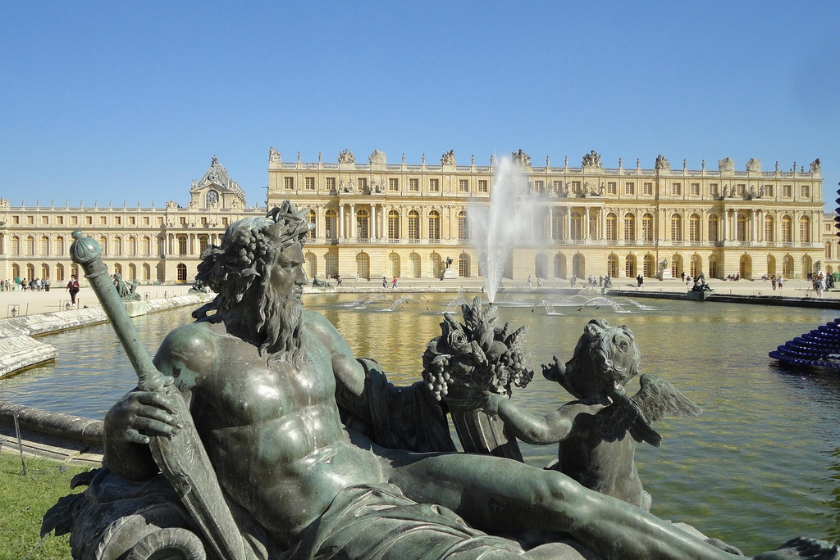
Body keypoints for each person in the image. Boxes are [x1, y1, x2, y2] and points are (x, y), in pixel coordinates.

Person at [102, 203, 836, 560]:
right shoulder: (194, 350)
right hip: (325, 521)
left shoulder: (315, 331)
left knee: (557, 493)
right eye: (292, 270)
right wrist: (121, 426)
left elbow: (384, 409)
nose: (304, 279)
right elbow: (134, 463)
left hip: (387, 473)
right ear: (255, 273)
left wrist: (454, 391)